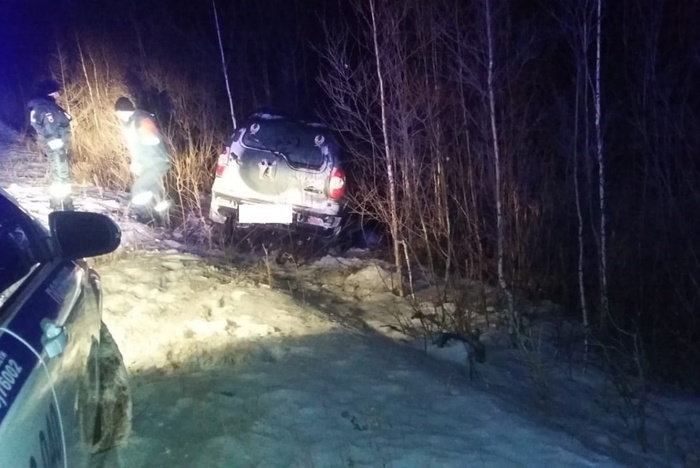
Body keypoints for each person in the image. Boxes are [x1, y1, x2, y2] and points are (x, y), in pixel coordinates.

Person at [114, 97, 172, 224]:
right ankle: (160, 219)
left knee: (139, 189)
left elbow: (152, 139)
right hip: (151, 162)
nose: (118, 117)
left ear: (123, 111)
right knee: (153, 191)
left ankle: (144, 218)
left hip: (156, 162)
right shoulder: (131, 122)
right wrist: (136, 161)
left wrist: (139, 159)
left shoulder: (141, 119)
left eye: (118, 113)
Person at [28, 79, 74, 211]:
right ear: (50, 93)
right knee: (62, 174)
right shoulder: (45, 108)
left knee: (59, 174)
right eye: (56, 92)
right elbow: (49, 128)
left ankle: (57, 201)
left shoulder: (46, 106)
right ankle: (65, 203)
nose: (58, 95)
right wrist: (57, 145)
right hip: (56, 147)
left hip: (57, 146)